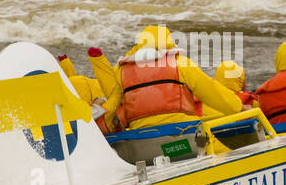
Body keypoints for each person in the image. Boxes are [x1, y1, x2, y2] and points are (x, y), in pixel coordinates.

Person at [102, 26, 242, 132]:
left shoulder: (122, 72)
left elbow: (111, 104)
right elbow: (213, 92)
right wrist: (237, 107)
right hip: (185, 133)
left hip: (141, 138)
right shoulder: (180, 63)